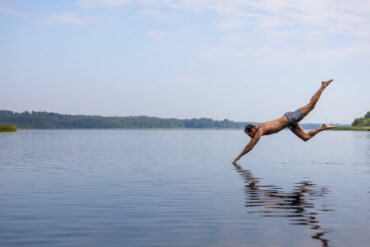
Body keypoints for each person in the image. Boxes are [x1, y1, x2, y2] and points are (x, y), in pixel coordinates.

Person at [232, 79, 334, 165]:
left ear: (253, 129)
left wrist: (238, 158)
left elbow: (250, 145)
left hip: (290, 118)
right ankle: (323, 127)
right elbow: (253, 137)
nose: (250, 137)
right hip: (290, 123)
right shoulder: (259, 128)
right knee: (305, 137)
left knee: (311, 105)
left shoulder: (260, 130)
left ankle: (323, 86)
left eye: (250, 134)